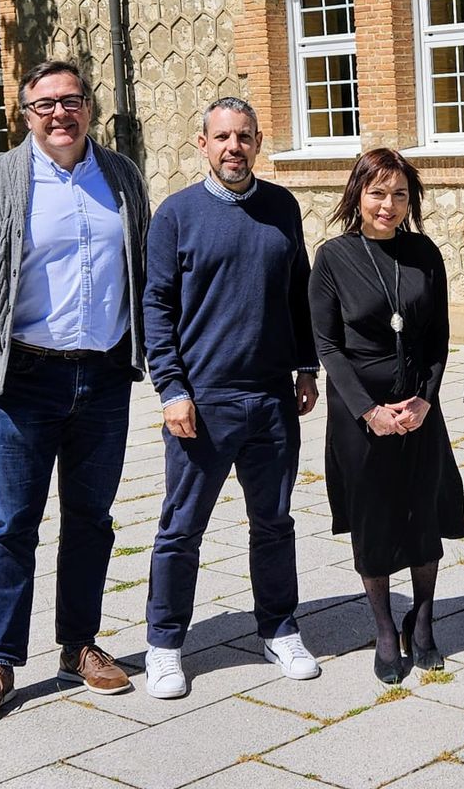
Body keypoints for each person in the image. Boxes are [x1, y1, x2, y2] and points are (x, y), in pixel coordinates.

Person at [0, 59, 149, 727]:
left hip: (105, 375)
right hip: (26, 378)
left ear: (90, 107)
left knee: (91, 518)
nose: (61, 114)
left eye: (72, 101)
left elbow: (139, 265)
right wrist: (4, 333)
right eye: (45, 104)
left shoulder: (121, 177)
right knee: (12, 524)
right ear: (25, 114)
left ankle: (79, 645)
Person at [140, 96, 322, 698]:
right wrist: (171, 388)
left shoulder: (281, 208)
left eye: (243, 137)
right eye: (222, 138)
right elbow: (157, 309)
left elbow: (298, 294)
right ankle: (165, 644)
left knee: (273, 522)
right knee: (180, 528)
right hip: (202, 401)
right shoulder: (175, 216)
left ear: (258, 141)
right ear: (203, 143)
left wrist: (305, 366)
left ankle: (278, 628)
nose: (233, 148)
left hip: (271, 398)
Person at [309, 148, 464, 683]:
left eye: (399, 194)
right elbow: (328, 347)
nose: (388, 205)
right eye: (377, 193)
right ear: (357, 194)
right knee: (374, 521)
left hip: (420, 408)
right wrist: (370, 412)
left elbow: (439, 337)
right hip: (362, 415)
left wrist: (425, 399)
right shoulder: (333, 257)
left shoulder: (425, 253)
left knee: (424, 515)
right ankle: (381, 628)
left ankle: (422, 619)